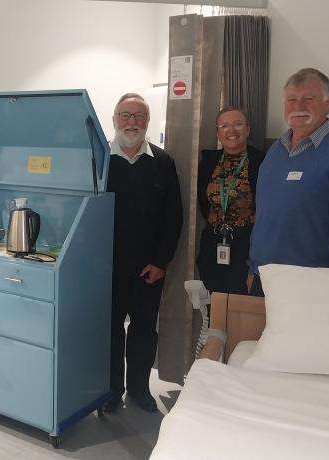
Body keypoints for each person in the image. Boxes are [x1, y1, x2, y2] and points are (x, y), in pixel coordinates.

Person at [248, 68, 329, 296]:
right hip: (265, 279)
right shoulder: (275, 152)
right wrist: (252, 267)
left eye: (308, 99)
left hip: (314, 284)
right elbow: (264, 216)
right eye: (292, 100)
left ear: (328, 103)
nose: (298, 107)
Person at [104, 93, 183, 412]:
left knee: (144, 332)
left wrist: (161, 262)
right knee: (109, 331)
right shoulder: (99, 159)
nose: (132, 122)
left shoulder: (163, 162)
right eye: (125, 115)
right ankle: (110, 391)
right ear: (114, 120)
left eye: (138, 116)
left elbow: (173, 216)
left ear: (147, 122)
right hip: (106, 265)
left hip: (148, 268)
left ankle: (139, 389)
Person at [197, 108, 265, 295]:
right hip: (213, 244)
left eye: (237, 124)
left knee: (241, 305)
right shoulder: (208, 162)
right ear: (218, 133)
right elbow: (204, 203)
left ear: (248, 129)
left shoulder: (262, 162)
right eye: (224, 126)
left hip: (246, 246)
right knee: (215, 306)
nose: (231, 130)